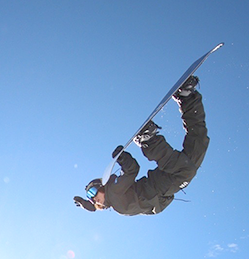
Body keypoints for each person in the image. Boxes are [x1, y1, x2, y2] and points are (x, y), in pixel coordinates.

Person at [74, 76, 209, 216]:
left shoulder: (113, 193)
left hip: (166, 183)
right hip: (164, 185)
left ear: (101, 187)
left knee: (190, 159)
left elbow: (132, 170)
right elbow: (130, 171)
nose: (93, 198)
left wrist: (122, 159)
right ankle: (185, 99)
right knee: (198, 140)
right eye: (91, 197)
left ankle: (150, 139)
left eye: (93, 192)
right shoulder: (113, 199)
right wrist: (90, 205)